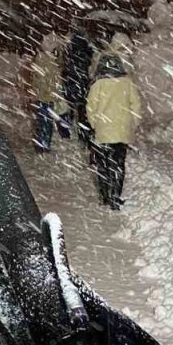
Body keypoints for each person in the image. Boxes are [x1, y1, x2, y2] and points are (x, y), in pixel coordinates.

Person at [87, 52, 142, 210]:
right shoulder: (127, 83)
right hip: (122, 131)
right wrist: (132, 123)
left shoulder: (98, 84)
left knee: (102, 165)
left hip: (103, 131)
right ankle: (115, 197)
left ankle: (104, 195)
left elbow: (90, 107)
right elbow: (136, 106)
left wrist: (94, 124)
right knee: (118, 165)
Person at [30, 33, 66, 152]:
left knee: (43, 120)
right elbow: (54, 80)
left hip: (44, 95)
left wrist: (36, 91)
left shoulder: (42, 59)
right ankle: (43, 143)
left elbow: (37, 78)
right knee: (46, 121)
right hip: (48, 95)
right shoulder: (52, 61)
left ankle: (42, 143)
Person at [61, 27, 95, 146]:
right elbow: (89, 60)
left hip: (71, 79)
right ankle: (83, 136)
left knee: (68, 107)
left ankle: (65, 132)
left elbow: (66, 62)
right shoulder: (85, 46)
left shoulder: (69, 46)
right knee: (82, 110)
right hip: (82, 81)